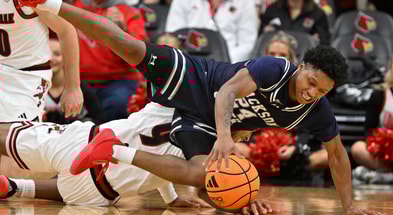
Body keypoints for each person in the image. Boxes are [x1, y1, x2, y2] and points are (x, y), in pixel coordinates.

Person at [16, 1, 385, 214]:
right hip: (199, 80)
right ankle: (47, 3)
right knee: (128, 46)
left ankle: (114, 152)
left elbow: (337, 156)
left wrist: (348, 205)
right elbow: (225, 94)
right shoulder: (274, 68)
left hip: (202, 120)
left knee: (199, 175)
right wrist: (226, 137)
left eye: (321, 91)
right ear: (302, 67)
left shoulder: (316, 110)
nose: (311, 93)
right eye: (310, 83)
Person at [0, 103, 207, 208]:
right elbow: (163, 162)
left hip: (85, 142)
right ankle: (13, 187)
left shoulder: (171, 101)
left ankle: (13, 186)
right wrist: (171, 199)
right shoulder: (205, 145)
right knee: (72, 188)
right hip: (99, 192)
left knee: (5, 136)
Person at [0, 1, 83, 179]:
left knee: (12, 159)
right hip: (2, 70)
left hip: (28, 76)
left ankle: (72, 157)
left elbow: (67, 31)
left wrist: (73, 87)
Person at [165, 0, 258, 63]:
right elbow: (172, 35)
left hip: (227, 65)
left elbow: (247, 44)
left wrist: (224, 66)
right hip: (186, 62)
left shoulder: (245, 2)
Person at [45, 38, 105, 124]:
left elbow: (99, 117)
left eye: (57, 54)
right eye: (47, 54)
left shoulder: (79, 85)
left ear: (66, 58)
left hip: (79, 133)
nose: (51, 59)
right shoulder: (36, 86)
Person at [351, 61, 393, 171]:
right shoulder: (380, 94)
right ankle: (387, 173)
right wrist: (378, 144)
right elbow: (368, 130)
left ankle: (384, 175)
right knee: (357, 148)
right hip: (384, 154)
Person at [260, 0, 331, 45]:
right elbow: (261, 40)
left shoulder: (318, 14)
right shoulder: (272, 9)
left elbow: (324, 44)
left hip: (304, 62)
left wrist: (313, 42)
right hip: (274, 58)